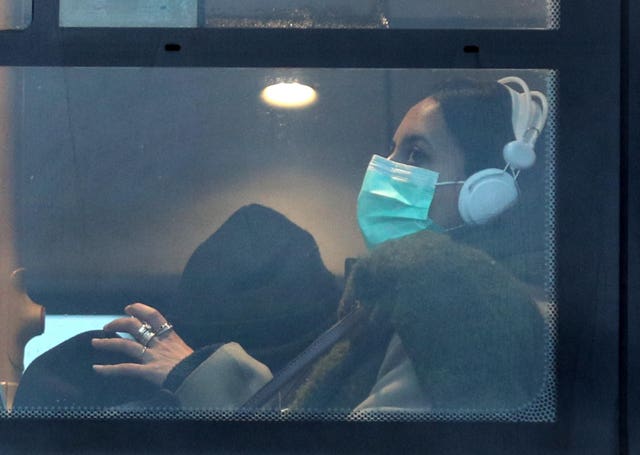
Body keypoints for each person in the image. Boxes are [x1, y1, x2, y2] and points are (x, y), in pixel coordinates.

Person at [23, 76, 551, 414]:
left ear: (490, 194)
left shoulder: (462, 303)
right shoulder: (404, 302)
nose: (385, 171)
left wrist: (195, 374)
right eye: (391, 149)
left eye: (415, 154)